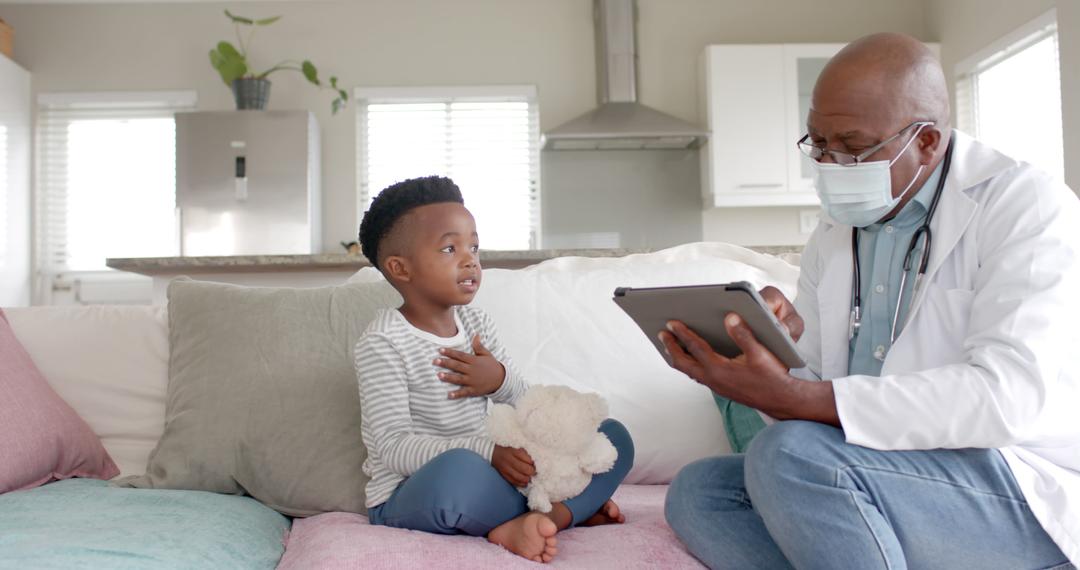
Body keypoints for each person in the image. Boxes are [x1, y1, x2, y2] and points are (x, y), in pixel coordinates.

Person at [661, 33, 1079, 569]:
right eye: (817, 143)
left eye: (853, 147)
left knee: (787, 457)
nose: (831, 163)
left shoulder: (1025, 205)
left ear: (926, 141)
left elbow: (1005, 399)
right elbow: (815, 396)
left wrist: (795, 398)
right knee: (701, 490)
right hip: (882, 475)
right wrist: (768, 358)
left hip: (1018, 486)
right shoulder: (839, 228)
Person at [354, 176, 635, 563]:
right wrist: (487, 452)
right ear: (401, 268)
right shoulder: (383, 343)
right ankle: (557, 514)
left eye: (474, 246)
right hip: (416, 490)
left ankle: (548, 517)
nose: (470, 259)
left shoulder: (477, 325)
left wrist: (499, 380)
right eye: (450, 248)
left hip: (498, 474)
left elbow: (529, 406)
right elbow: (393, 448)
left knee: (611, 437)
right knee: (458, 473)